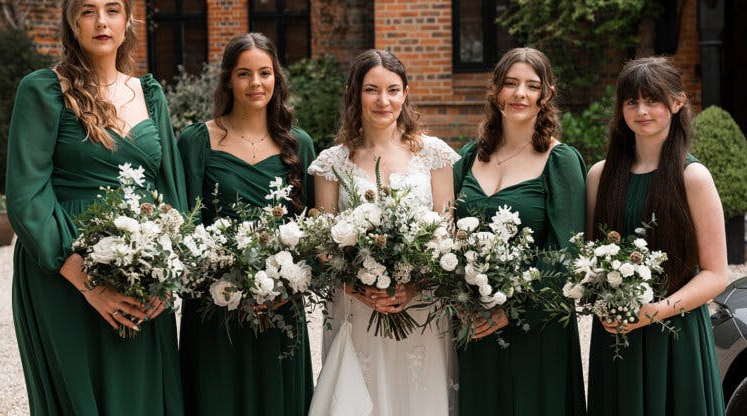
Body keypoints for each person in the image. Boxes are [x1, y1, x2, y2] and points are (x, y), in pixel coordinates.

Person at [5, 0, 186, 415]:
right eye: (88, 12)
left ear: (128, 21)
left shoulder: (150, 93)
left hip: (145, 270)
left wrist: (170, 272)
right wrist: (87, 282)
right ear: (72, 22)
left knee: (142, 394)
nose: (101, 22)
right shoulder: (44, 90)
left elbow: (173, 193)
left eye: (112, 10)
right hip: (63, 270)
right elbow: (26, 194)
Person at [308, 49, 460, 416]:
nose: (383, 100)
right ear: (355, 94)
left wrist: (414, 286)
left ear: (405, 93)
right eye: (371, 90)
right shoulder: (332, 162)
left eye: (393, 90)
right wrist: (359, 289)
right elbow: (323, 243)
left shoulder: (434, 155)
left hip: (422, 306)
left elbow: (448, 236)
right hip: (357, 309)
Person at [177, 32, 316, 415]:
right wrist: (221, 278)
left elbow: (313, 229)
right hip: (214, 307)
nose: (256, 83)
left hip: (280, 303)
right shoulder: (197, 141)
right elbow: (184, 225)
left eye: (265, 73)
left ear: (277, 78)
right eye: (244, 74)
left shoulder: (298, 144)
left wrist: (285, 281)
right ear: (228, 80)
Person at [586, 57, 727, 415]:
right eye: (631, 101)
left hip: (676, 335)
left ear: (677, 103)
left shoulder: (693, 177)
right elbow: (588, 260)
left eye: (652, 100)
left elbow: (716, 273)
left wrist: (654, 312)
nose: (641, 110)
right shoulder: (599, 177)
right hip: (616, 334)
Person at [453, 47, 586, 416]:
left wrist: (508, 311)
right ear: (495, 91)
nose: (520, 94)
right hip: (475, 325)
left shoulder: (561, 162)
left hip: (537, 330)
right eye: (510, 84)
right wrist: (459, 300)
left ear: (547, 95)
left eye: (531, 85)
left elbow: (570, 257)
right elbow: (443, 237)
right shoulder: (468, 157)